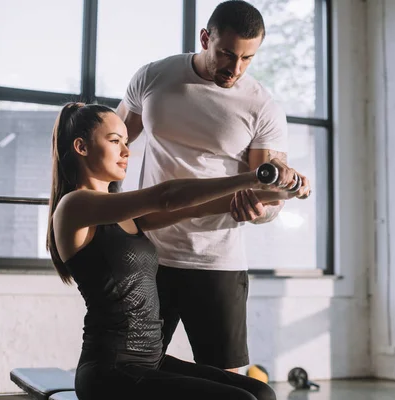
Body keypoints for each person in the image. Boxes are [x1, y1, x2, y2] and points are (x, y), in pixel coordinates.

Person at [46, 102, 308, 400]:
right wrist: (255, 176)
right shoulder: (74, 206)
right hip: (110, 370)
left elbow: (198, 206)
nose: (126, 151)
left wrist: (284, 190)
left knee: (261, 392)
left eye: (126, 142)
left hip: (150, 360)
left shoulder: (125, 214)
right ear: (81, 147)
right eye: (114, 141)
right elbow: (167, 196)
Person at [116, 0, 310, 373]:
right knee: (134, 371)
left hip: (216, 261)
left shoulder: (262, 107)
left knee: (227, 383)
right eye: (226, 53)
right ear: (205, 39)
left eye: (247, 59)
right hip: (148, 254)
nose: (235, 68)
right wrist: (109, 218)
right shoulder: (154, 77)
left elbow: (269, 193)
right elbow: (113, 146)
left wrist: (261, 213)